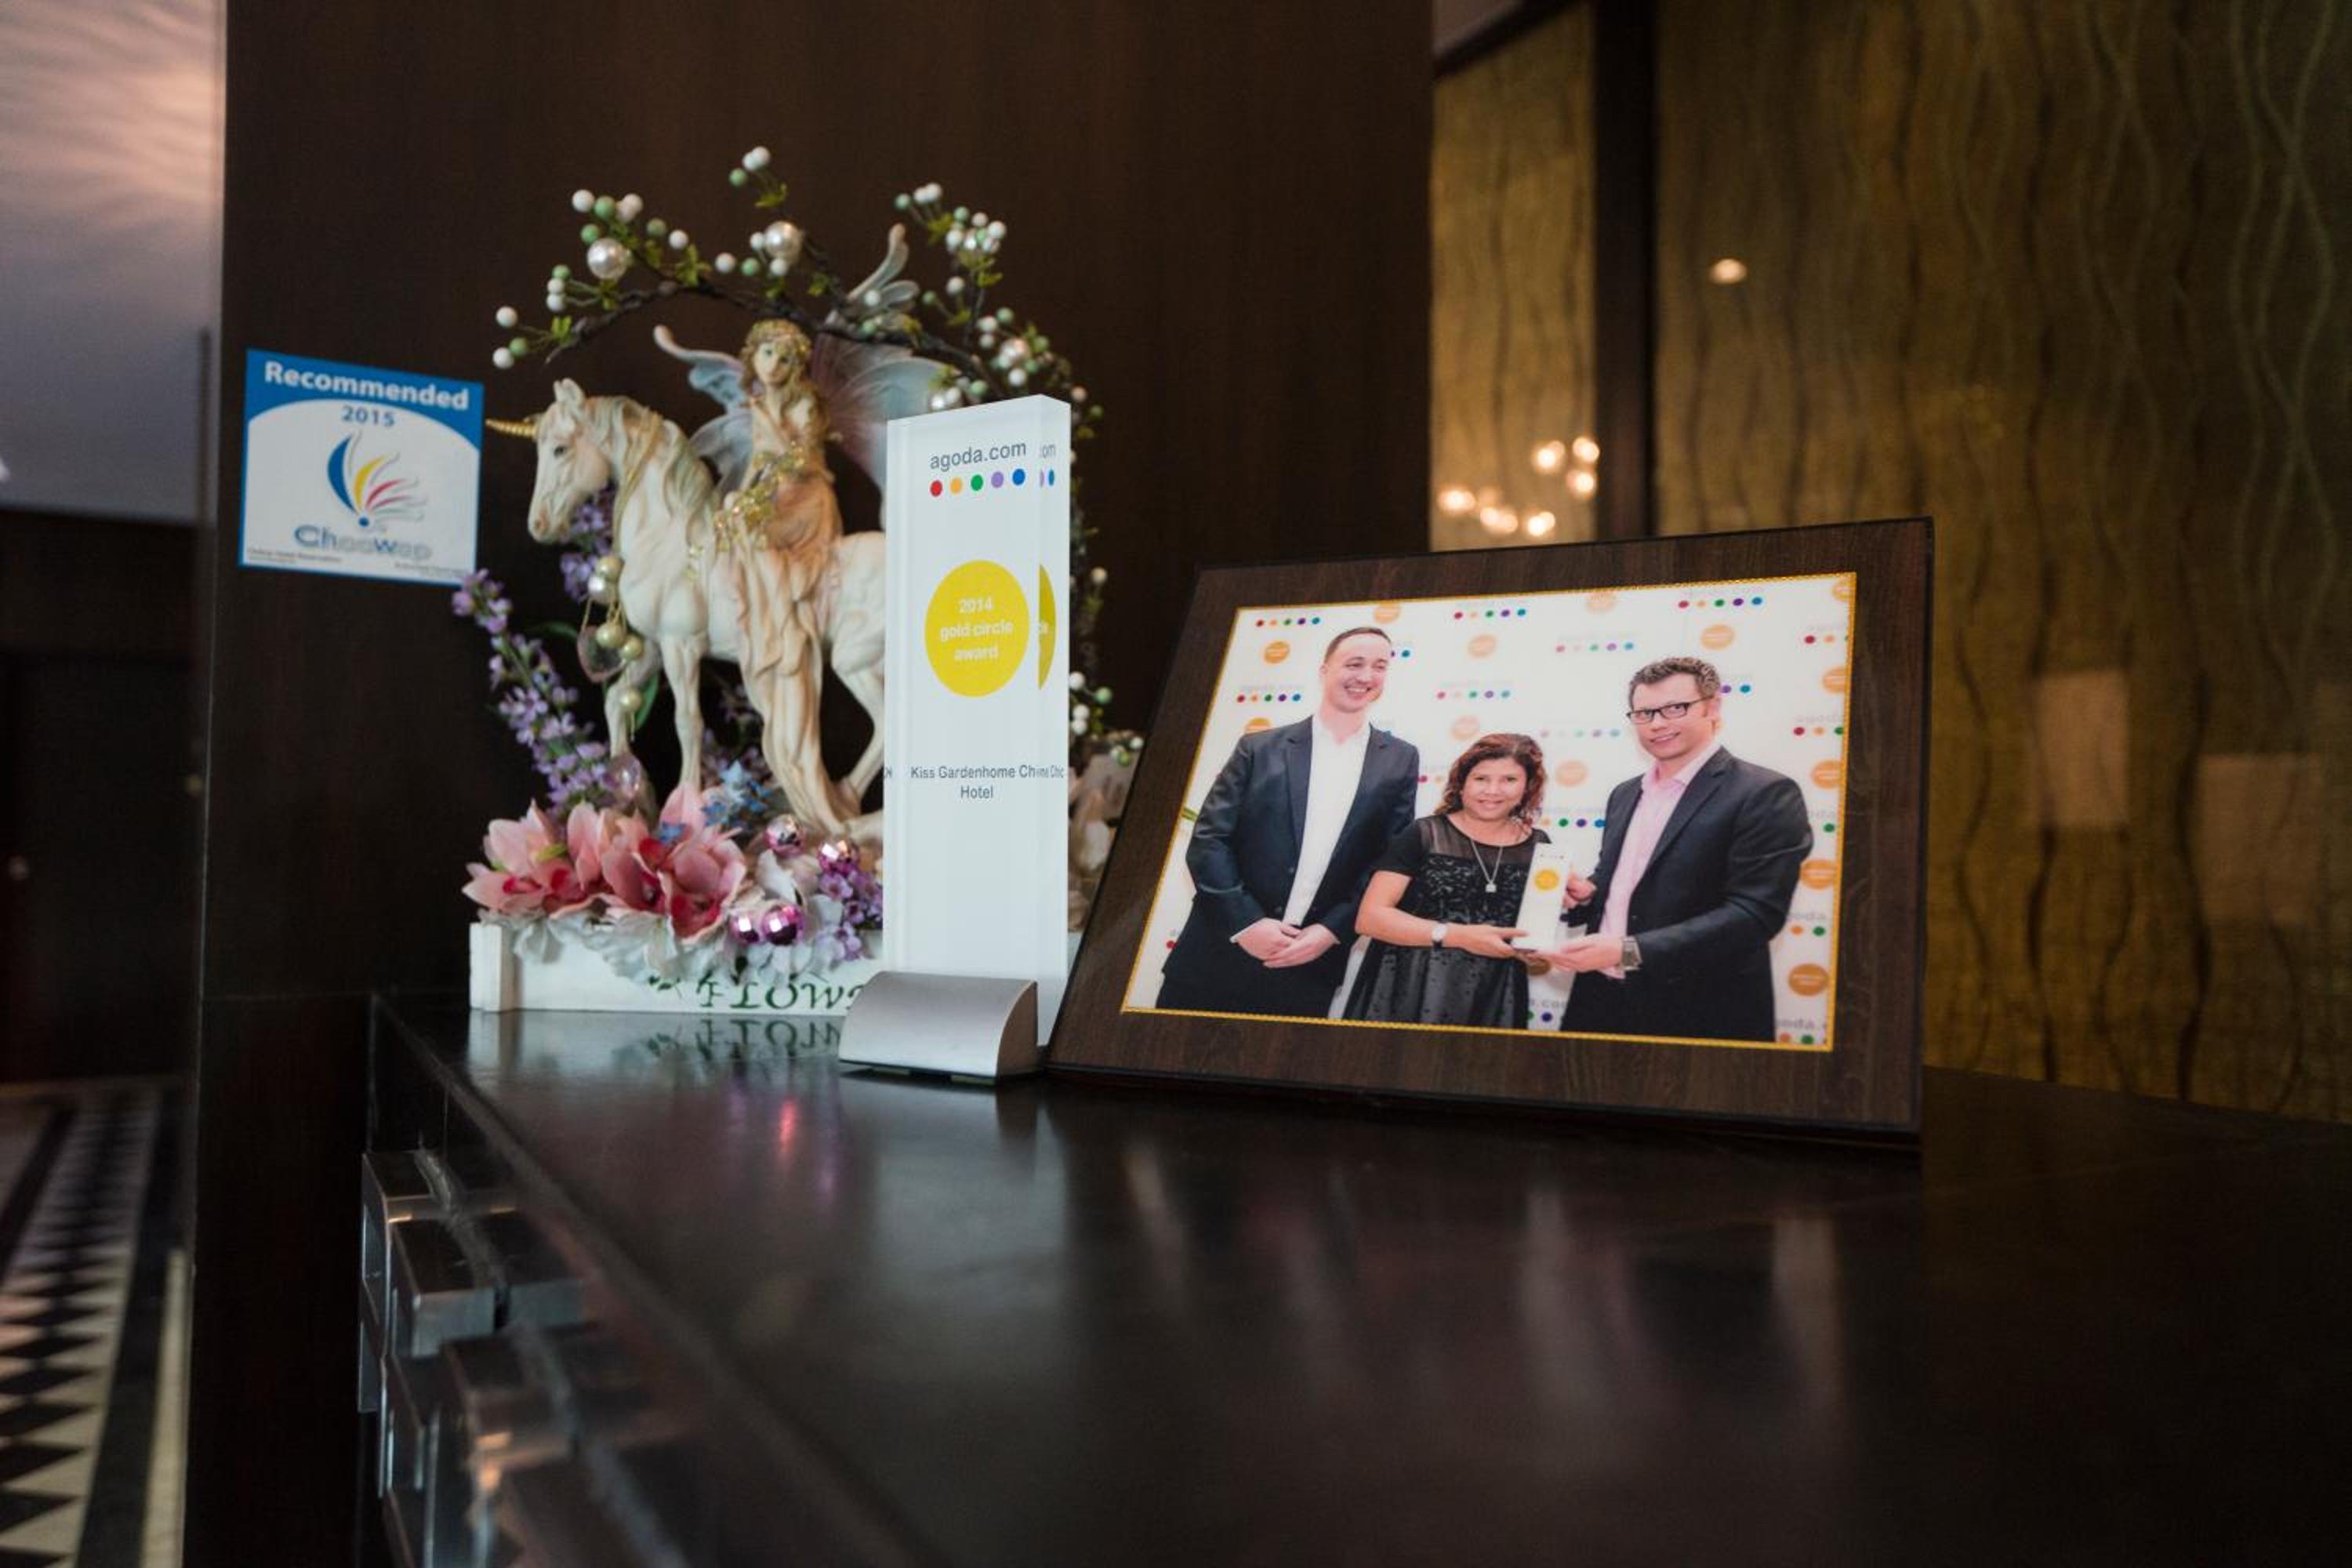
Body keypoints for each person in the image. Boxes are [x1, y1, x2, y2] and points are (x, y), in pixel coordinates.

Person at [1541, 655, 1811, 1043]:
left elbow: (1755, 915)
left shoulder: (1764, 793)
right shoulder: (1625, 794)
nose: (1657, 724)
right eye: (1644, 713)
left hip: (1699, 1010)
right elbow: (1627, 883)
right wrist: (1588, 894)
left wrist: (1628, 951)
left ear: (1712, 708)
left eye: (1675, 708)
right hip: (1598, 1000)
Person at [1157, 627, 1421, 1018]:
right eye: (1354, 664)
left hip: (1308, 969)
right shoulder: (1258, 748)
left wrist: (1332, 931)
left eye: (1379, 666)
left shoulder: (1401, 759)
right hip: (1215, 955)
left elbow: (1387, 862)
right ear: (1325, 670)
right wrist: (1247, 924)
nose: (1366, 676)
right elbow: (1209, 840)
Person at [1342, 733, 1549, 1029]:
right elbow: (1370, 919)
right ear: (1461, 783)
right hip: (1409, 986)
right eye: (1481, 778)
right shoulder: (1423, 834)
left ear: (1527, 787)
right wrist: (1457, 936)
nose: (1492, 790)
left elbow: (1534, 932)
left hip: (1493, 992)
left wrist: (1535, 947)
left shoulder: (1541, 846)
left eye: (1509, 780)